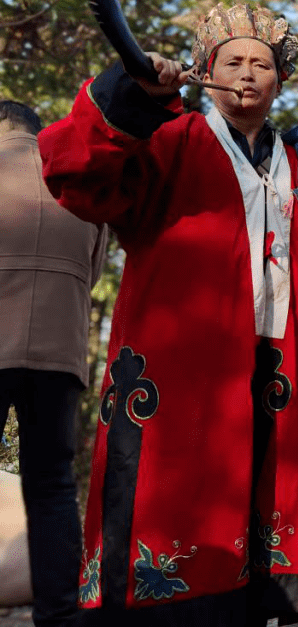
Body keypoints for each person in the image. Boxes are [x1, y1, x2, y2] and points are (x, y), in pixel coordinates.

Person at [38, 3, 298, 626]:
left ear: (281, 80)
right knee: (167, 513)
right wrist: (131, 97)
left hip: (278, 370)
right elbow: (77, 177)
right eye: (233, 61)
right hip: (178, 369)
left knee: (260, 533)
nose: (248, 73)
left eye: (262, 63)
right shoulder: (170, 137)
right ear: (207, 72)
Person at [0, 100, 107, 626]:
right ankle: (60, 615)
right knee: (52, 485)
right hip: (58, 348)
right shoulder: (72, 174)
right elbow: (96, 263)